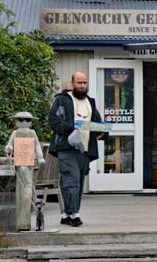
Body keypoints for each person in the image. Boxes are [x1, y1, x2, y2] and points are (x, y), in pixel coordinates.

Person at [48, 72, 107, 227]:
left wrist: (103, 132)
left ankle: (66, 214)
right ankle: (75, 214)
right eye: (79, 83)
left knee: (78, 183)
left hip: (84, 150)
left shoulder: (90, 102)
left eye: (84, 83)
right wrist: (72, 129)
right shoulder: (61, 100)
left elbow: (97, 122)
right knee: (71, 181)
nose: (82, 86)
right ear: (72, 83)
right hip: (66, 148)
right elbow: (53, 120)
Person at [143, 85, 156, 187]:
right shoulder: (151, 103)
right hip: (149, 132)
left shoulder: (139, 102)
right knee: (147, 156)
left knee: (142, 157)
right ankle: (148, 178)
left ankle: (144, 179)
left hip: (141, 133)